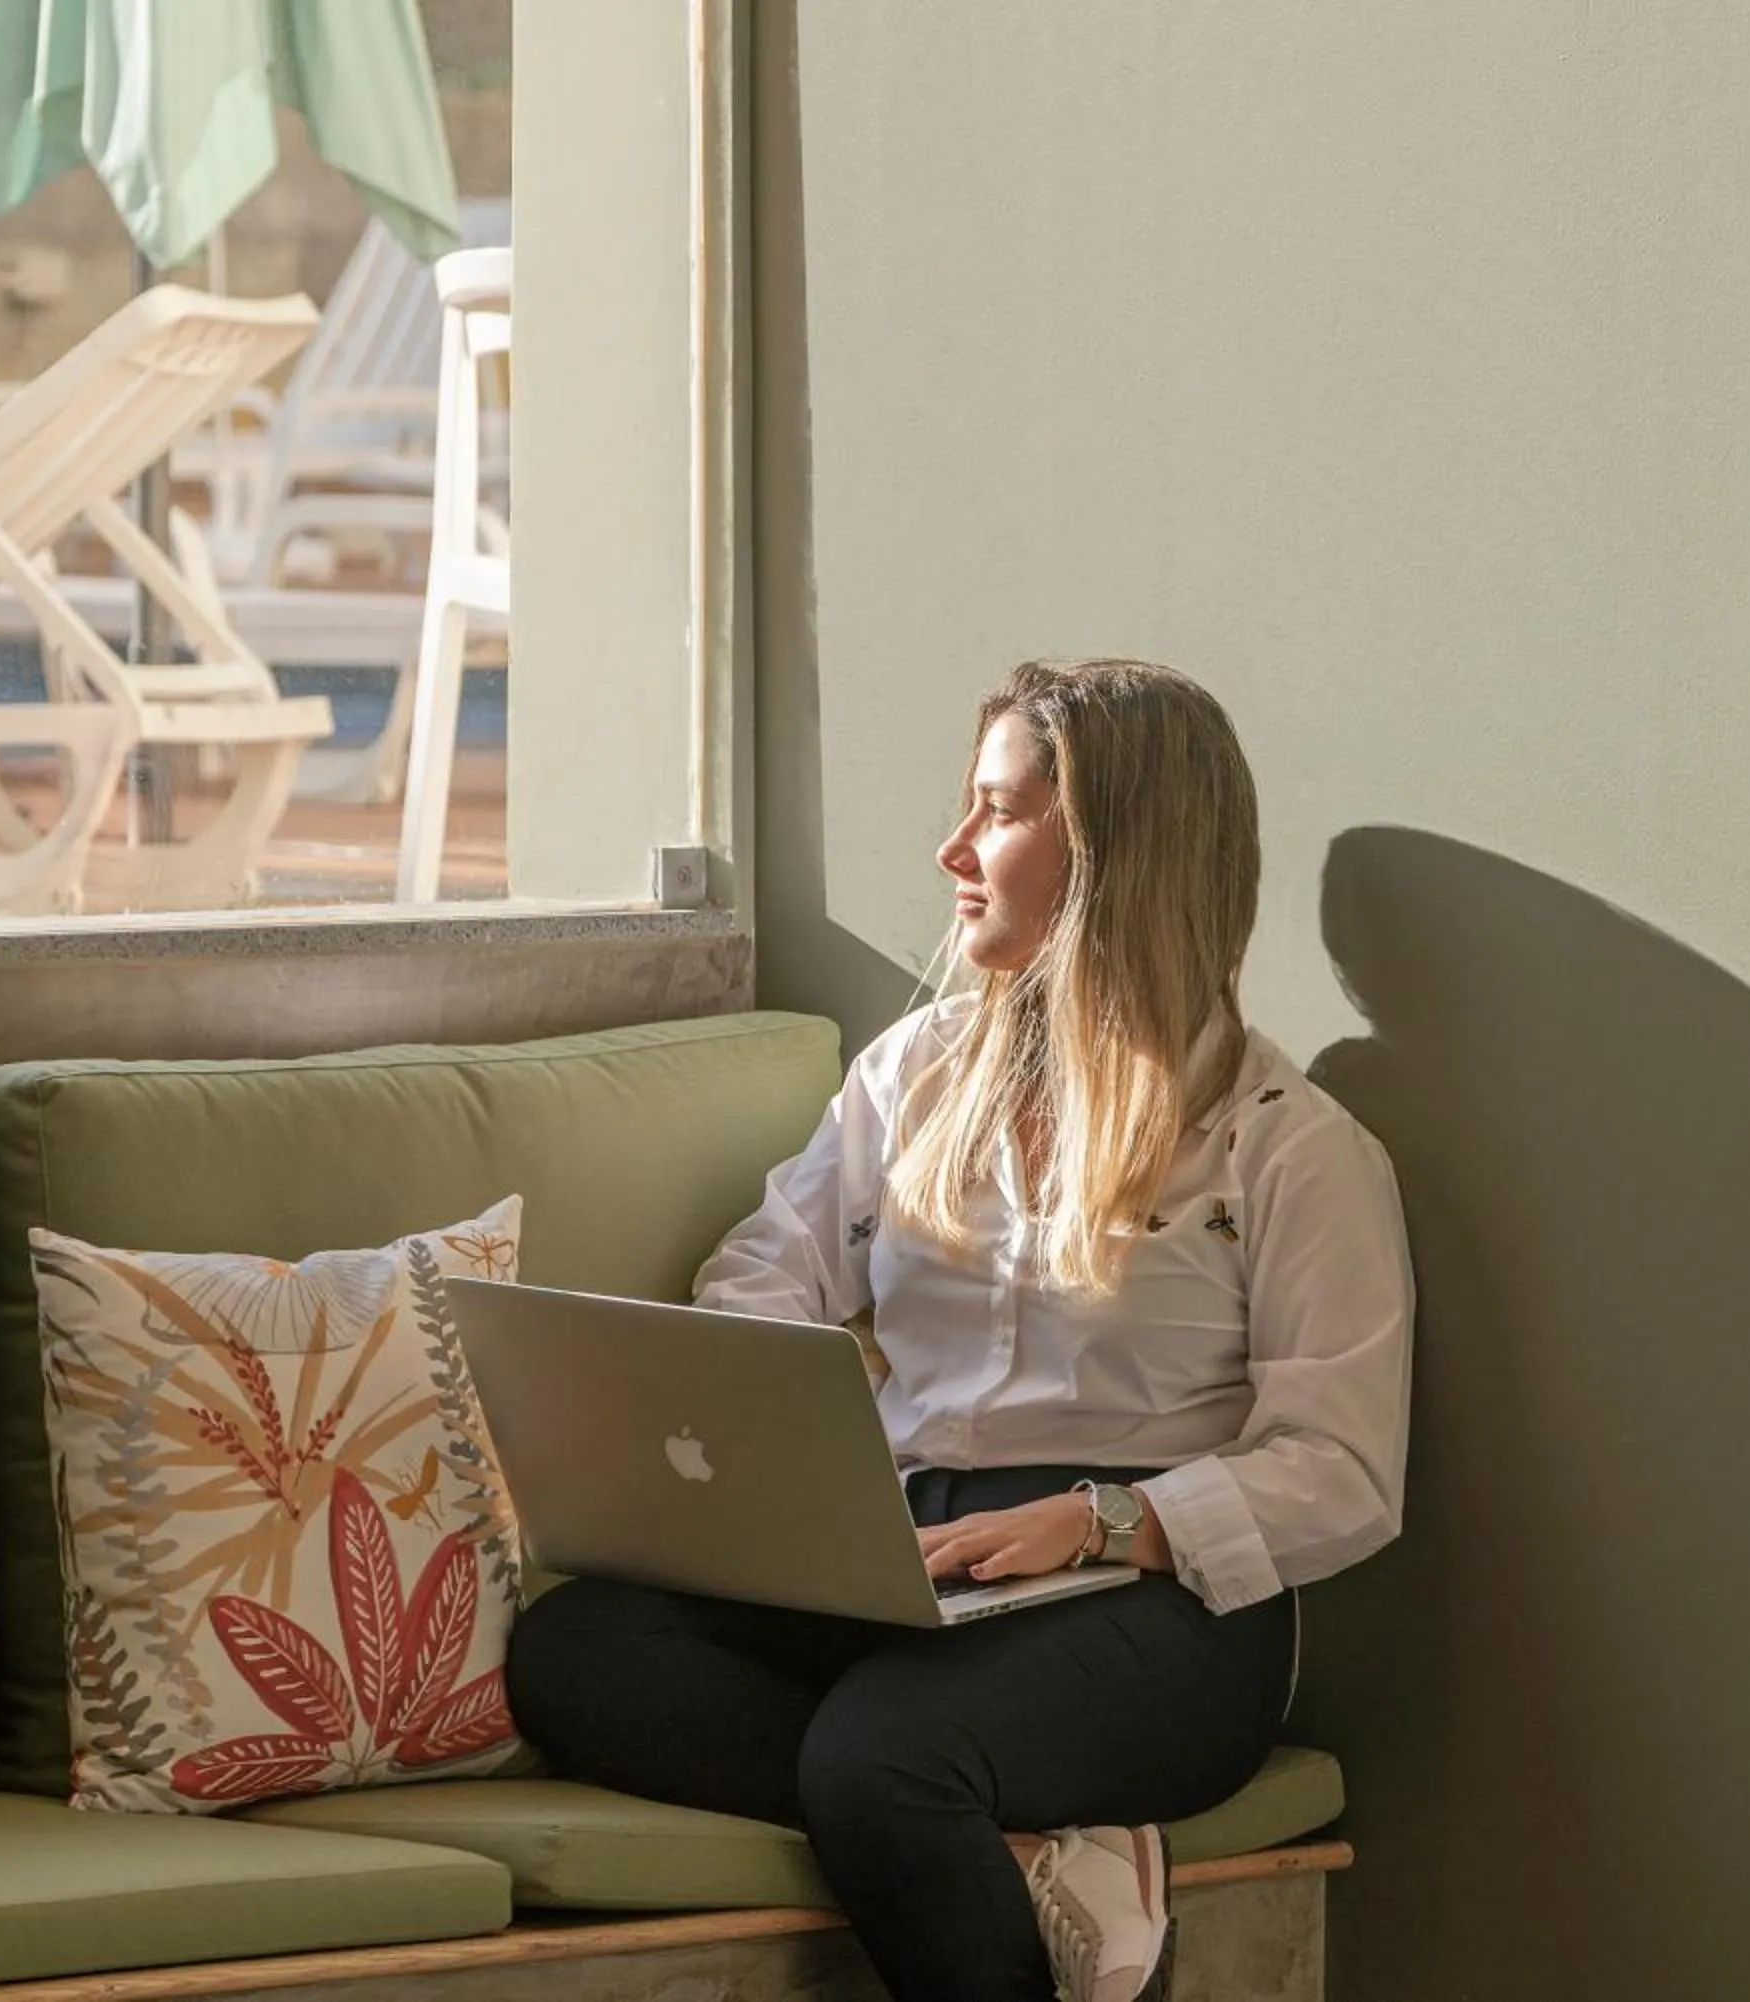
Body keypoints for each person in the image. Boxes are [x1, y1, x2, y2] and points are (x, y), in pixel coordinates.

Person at [505, 659, 1417, 2002]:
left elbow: (1342, 1470)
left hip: (1150, 1605)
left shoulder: (1290, 1150)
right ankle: (1040, 1847)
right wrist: (807, 1455)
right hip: (907, 1556)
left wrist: (1106, 1519)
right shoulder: (916, 1071)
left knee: (881, 1759)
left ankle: (940, 1803)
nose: (951, 849)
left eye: (995, 812)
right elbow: (762, 1269)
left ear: (1112, 854)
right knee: (573, 1652)